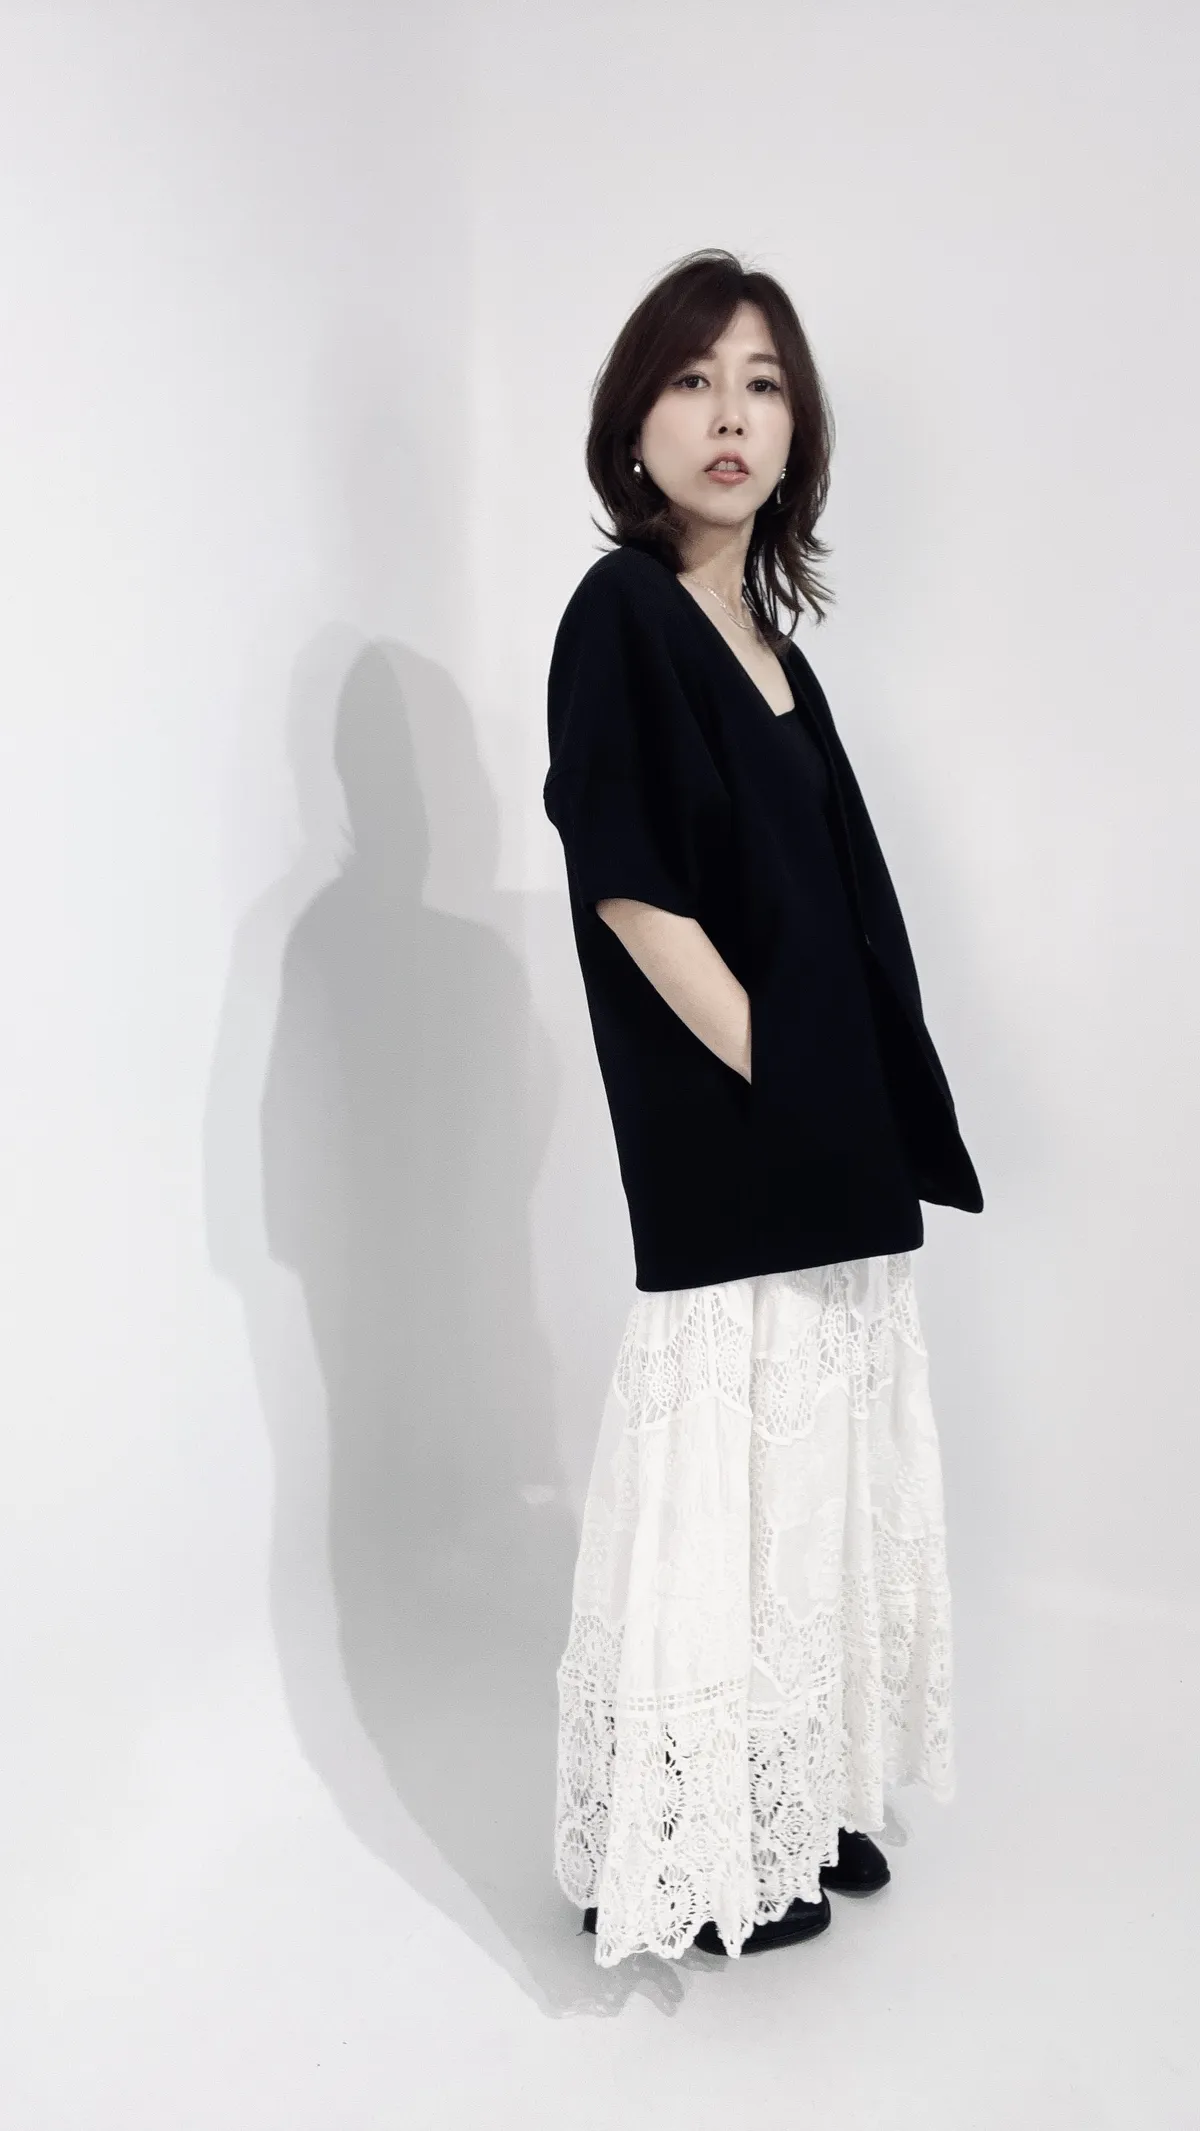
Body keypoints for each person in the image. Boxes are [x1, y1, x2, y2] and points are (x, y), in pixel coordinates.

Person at [542, 248, 983, 1968]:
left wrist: (848, 1098)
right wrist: (786, 1080)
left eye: (763, 384)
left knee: (812, 1468)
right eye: (692, 379)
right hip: (738, 1120)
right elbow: (633, 888)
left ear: (796, 433)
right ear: (634, 421)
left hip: (822, 1121)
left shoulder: (773, 642)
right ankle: (685, 1838)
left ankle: (786, 1797)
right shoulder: (624, 614)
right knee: (724, 1463)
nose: (729, 414)